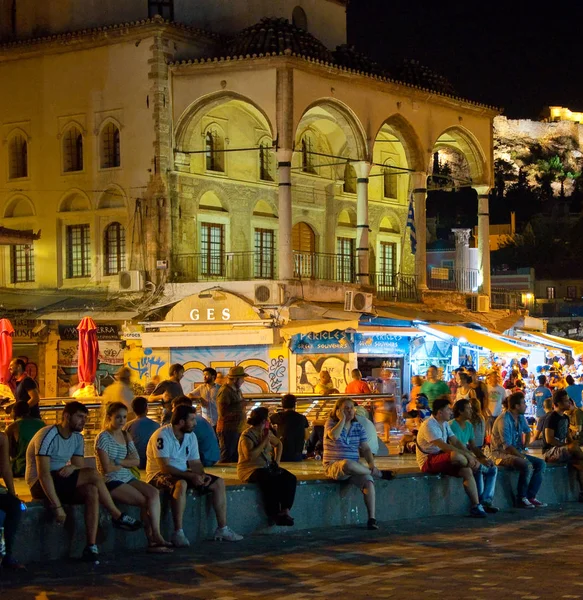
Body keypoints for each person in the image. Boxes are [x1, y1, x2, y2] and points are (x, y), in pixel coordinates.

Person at [25, 401, 142, 561]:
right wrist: (57, 506)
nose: (83, 421)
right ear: (66, 416)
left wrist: (72, 467)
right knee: (93, 474)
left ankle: (91, 546)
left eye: (85, 418)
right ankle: (116, 514)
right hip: (39, 483)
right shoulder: (47, 435)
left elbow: (79, 466)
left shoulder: (77, 438)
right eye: (80, 417)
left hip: (62, 479)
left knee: (91, 491)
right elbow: (43, 474)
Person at [146, 404, 243, 546]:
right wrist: (190, 476)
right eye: (192, 420)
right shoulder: (162, 436)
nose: (195, 423)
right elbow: (164, 467)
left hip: (182, 473)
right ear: (181, 422)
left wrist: (201, 475)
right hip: (158, 475)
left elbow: (195, 462)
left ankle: (222, 528)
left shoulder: (190, 436)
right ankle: (178, 531)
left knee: (218, 482)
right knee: (181, 484)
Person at [95, 402, 172, 552]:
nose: (122, 420)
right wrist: (125, 463)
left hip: (126, 476)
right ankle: (153, 538)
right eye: (118, 417)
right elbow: (106, 468)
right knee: (144, 501)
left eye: (124, 417)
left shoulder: (125, 435)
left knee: (153, 493)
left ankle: (156, 534)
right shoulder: (103, 437)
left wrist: (119, 462)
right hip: (111, 479)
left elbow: (136, 460)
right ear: (109, 417)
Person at [323, 398, 390, 531]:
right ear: (337, 411)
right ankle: (379, 474)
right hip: (334, 465)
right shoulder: (331, 423)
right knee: (347, 464)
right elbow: (334, 436)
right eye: (345, 408)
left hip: (355, 466)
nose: (350, 411)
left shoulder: (358, 426)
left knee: (368, 482)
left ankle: (372, 518)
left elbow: (365, 448)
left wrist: (371, 464)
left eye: (351, 408)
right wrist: (342, 420)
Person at [415, 397, 487, 518]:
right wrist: (468, 458)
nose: (451, 412)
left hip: (442, 457)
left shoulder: (444, 424)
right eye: (448, 409)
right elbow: (444, 446)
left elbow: (456, 442)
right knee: (457, 456)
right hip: (428, 460)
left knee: (467, 471)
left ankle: (476, 505)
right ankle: (478, 467)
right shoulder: (429, 425)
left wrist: (469, 455)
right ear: (439, 412)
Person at [238, 407, 297, 526]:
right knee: (269, 479)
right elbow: (251, 456)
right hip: (250, 469)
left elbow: (278, 444)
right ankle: (274, 513)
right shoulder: (247, 436)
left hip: (266, 466)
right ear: (264, 421)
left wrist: (277, 462)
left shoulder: (267, 433)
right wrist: (264, 441)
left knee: (289, 478)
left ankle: (285, 510)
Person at [491, 392, 547, 509]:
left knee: (541, 463)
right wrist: (523, 456)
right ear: (516, 406)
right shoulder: (504, 420)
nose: (526, 405)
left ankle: (531, 496)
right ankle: (521, 498)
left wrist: (525, 446)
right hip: (500, 454)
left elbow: (527, 431)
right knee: (526, 464)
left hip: (516, 451)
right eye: (523, 403)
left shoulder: (520, 417)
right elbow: (507, 446)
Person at [449, 399, 499, 513]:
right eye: (468, 408)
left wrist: (484, 458)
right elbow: (456, 447)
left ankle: (485, 501)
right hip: (459, 458)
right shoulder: (452, 425)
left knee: (492, 468)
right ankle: (482, 502)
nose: (471, 410)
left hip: (468, 456)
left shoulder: (468, 425)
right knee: (480, 469)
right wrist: (477, 460)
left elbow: (474, 446)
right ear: (460, 411)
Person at [543, 389, 583, 501]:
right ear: (557, 404)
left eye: (568, 400)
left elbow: (568, 438)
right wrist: (565, 445)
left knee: (580, 463)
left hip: (562, 449)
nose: (569, 403)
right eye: (565, 401)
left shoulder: (565, 418)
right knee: (574, 448)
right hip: (550, 452)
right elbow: (549, 439)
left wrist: (571, 444)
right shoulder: (552, 417)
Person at [172, 396, 221, 468]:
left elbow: (181, 443)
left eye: (173, 407)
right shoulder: (198, 418)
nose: (172, 410)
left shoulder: (190, 421)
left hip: (205, 458)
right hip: (212, 457)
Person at [0, 431, 24, 569]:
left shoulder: (2, 438)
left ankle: (7, 555)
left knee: (14, 506)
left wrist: (12, 492)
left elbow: (6, 468)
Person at [216, 366, 248, 463]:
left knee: (235, 457)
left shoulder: (237, 391)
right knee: (226, 456)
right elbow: (223, 413)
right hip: (227, 430)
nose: (243, 381)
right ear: (235, 379)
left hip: (237, 429)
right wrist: (240, 405)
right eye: (242, 379)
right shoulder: (225, 391)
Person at [6, 400, 45, 477]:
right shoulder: (42, 423)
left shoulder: (12, 427)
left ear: (14, 412)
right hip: (43, 464)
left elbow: (8, 451)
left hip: (22, 466)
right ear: (28, 411)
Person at [270, 394, 309, 462]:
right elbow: (306, 436)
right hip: (297, 455)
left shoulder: (277, 416)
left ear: (282, 405)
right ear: (294, 404)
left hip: (280, 454)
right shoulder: (302, 418)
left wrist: (275, 433)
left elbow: (266, 423)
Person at [124, 396, 160, 469]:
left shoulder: (128, 426)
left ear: (133, 409)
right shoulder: (156, 426)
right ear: (147, 408)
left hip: (134, 463)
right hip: (150, 461)